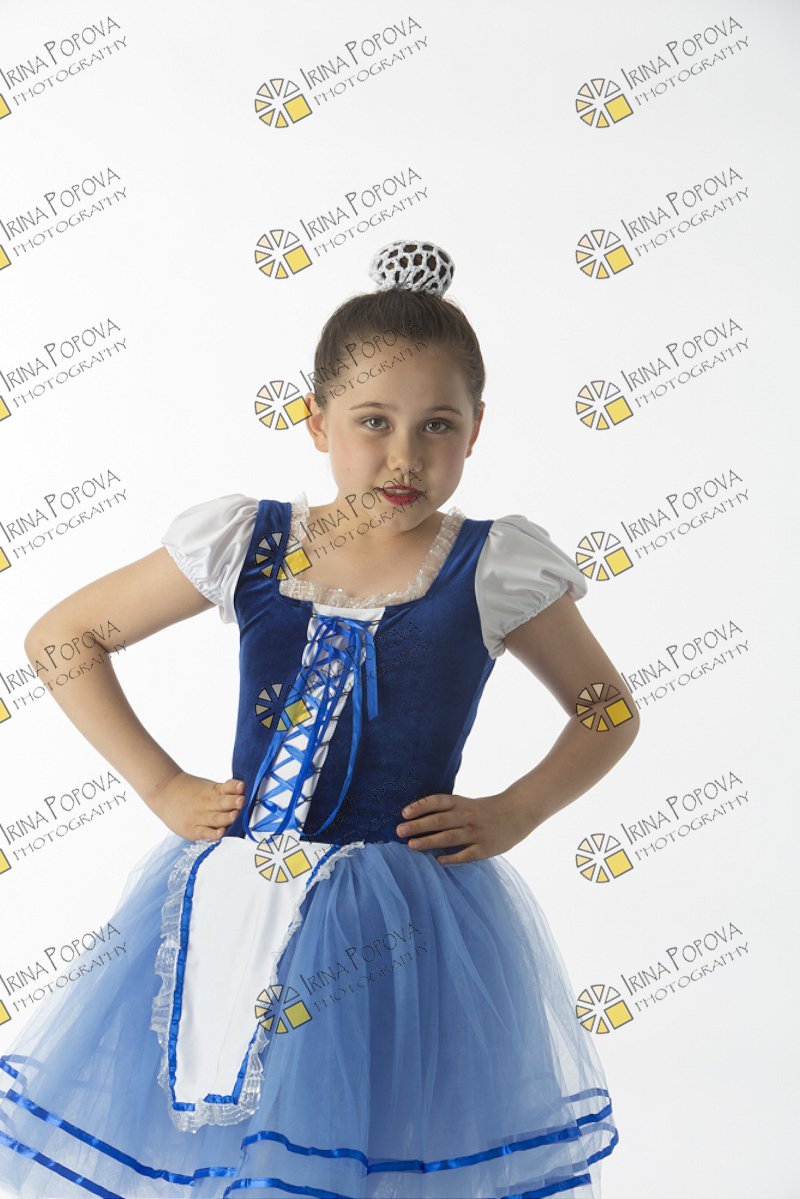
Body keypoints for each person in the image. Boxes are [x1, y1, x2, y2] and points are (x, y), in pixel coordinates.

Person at [0, 238, 635, 1198]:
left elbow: (607, 710)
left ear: (476, 431)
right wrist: (162, 784)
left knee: (381, 1143)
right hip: (236, 898)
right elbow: (62, 638)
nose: (403, 456)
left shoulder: (494, 564)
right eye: (374, 421)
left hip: (403, 921)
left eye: (437, 425)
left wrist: (515, 809)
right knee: (233, 1138)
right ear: (316, 421)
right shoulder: (250, 543)